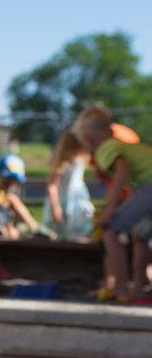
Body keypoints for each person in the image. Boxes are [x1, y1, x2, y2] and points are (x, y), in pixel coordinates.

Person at [72, 105, 152, 301]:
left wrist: (109, 210)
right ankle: (138, 288)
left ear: (89, 140)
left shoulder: (105, 148)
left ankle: (121, 287)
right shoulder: (122, 145)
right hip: (146, 187)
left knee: (110, 229)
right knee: (141, 235)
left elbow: (122, 172)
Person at [42, 129, 94, 238]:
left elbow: (78, 178)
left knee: (78, 228)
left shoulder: (80, 160)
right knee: (61, 230)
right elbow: (52, 186)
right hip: (62, 200)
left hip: (76, 199)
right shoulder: (62, 163)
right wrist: (56, 207)